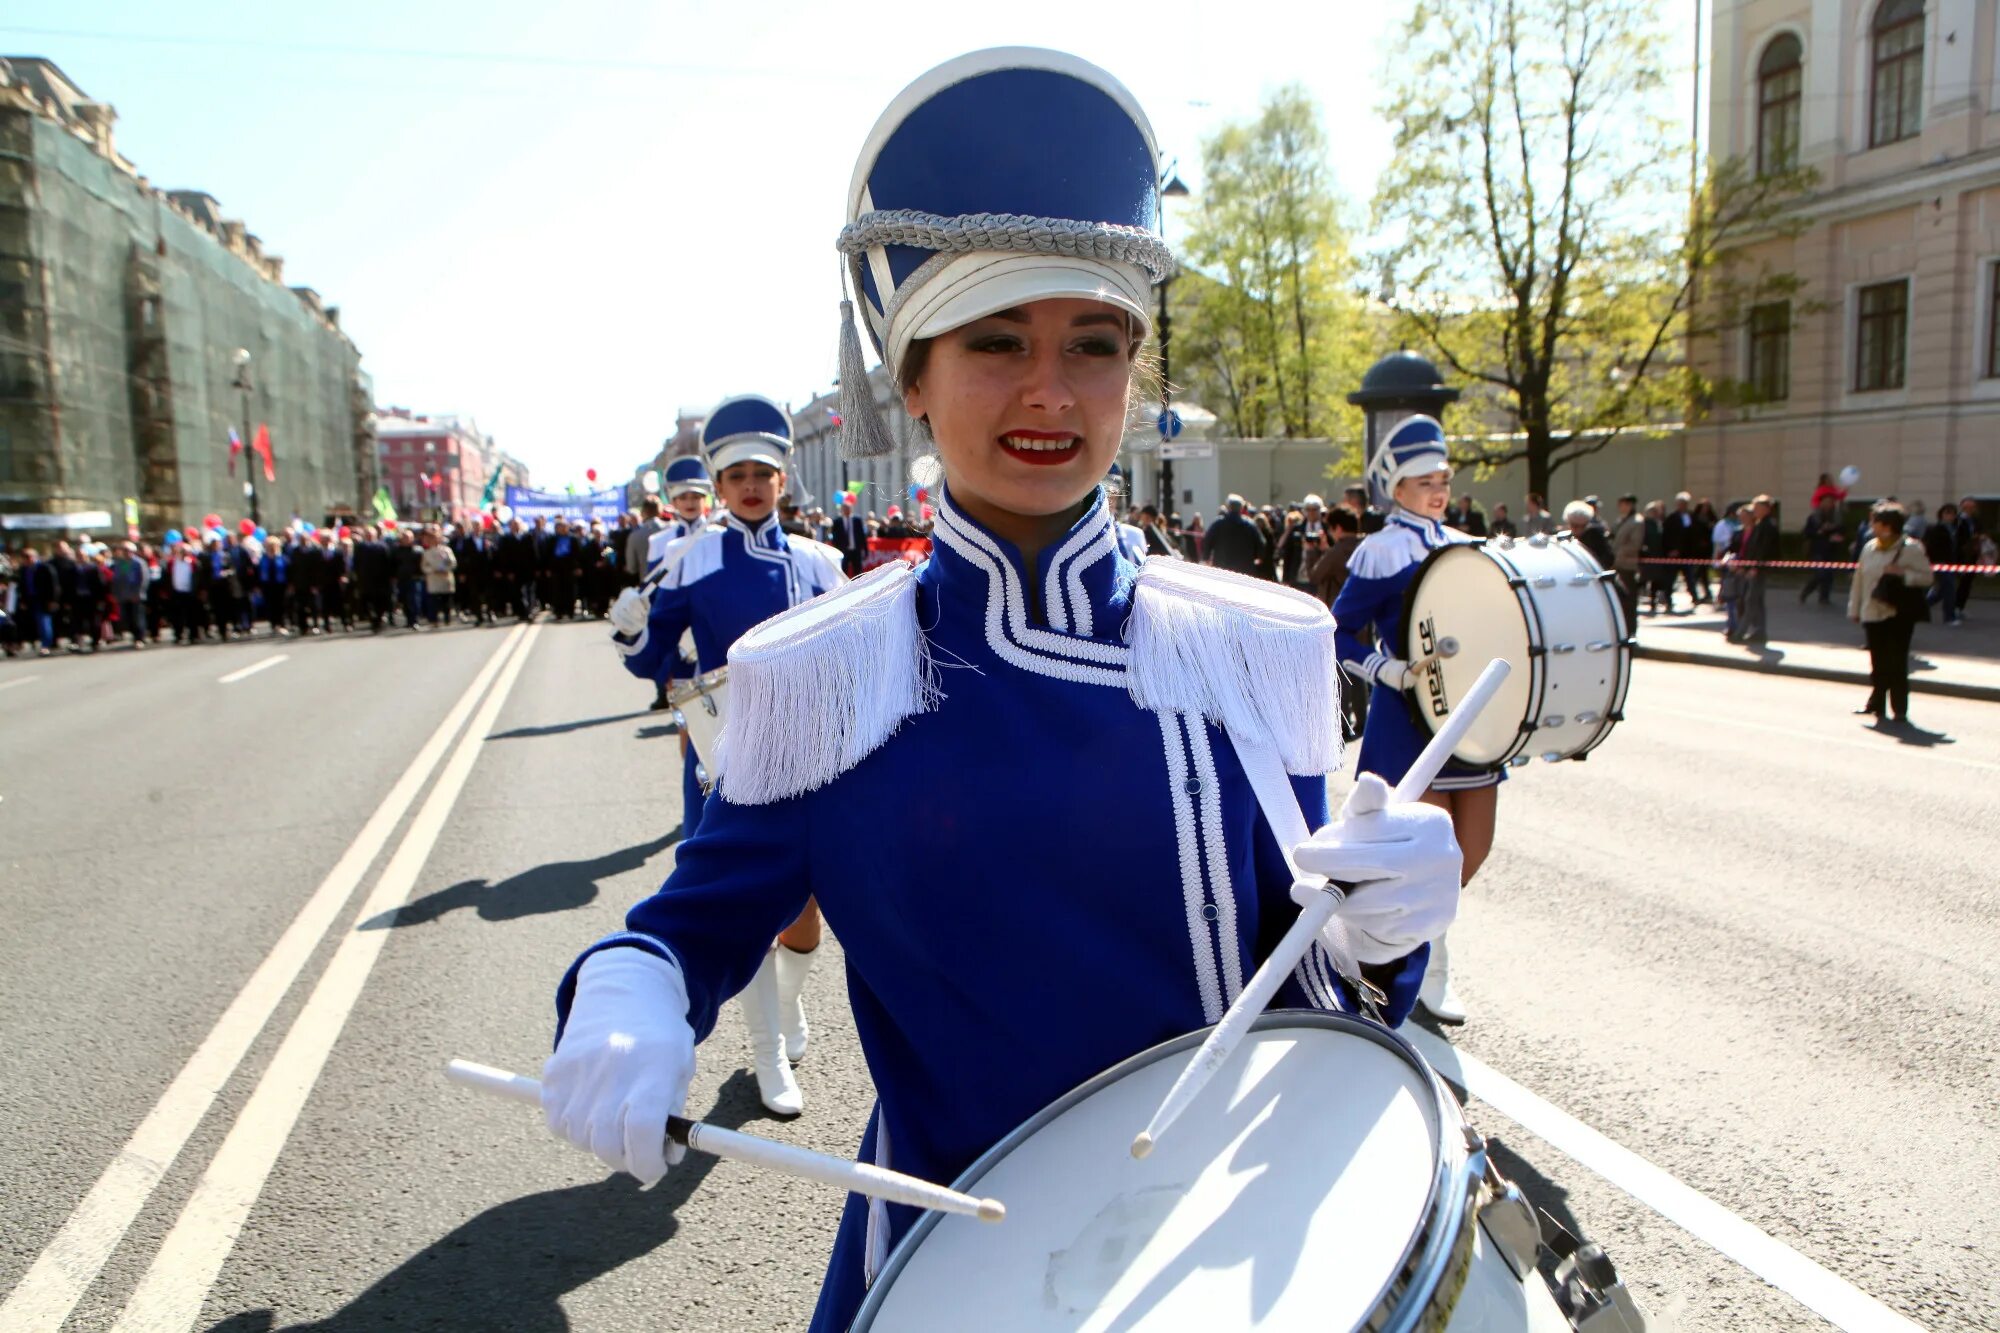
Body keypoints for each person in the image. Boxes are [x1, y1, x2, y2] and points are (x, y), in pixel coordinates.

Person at [541, 51, 1460, 1333]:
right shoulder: (817, 673)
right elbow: (685, 928)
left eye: (1094, 344)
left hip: (1238, 1253)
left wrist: (1385, 926)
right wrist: (629, 989)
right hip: (959, 1267)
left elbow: (1320, 984)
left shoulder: (1260, 641)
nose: (1050, 390)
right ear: (909, 381)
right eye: (994, 342)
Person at [604, 394, 844, 1118]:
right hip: (727, 754)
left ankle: (790, 1001)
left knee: (807, 905)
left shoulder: (819, 560)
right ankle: (767, 1052)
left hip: (807, 750)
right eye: (735, 472)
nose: (749, 484)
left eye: (762, 472)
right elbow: (653, 659)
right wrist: (635, 635)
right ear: (717, 480)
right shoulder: (690, 558)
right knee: (744, 904)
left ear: (782, 480)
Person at [1331, 414, 1494, 1027]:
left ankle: (1410, 953)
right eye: (1423, 479)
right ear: (1395, 487)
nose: (1436, 488)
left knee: (1472, 851)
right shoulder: (1381, 550)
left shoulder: (1464, 545)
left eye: (1443, 478)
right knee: (1433, 855)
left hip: (1470, 723)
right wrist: (1388, 670)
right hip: (1409, 722)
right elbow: (1339, 630)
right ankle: (1427, 972)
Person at [1848, 501, 1932, 725]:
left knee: (1897, 661)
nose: (1871, 525)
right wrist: (1854, 608)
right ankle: (1876, 704)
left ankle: (1900, 710)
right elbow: (1859, 579)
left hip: (1898, 613)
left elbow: (1927, 577)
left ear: (1887, 526)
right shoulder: (1869, 547)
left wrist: (1903, 573)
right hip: (1872, 612)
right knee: (1877, 662)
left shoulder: (1911, 548)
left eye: (1874, 521)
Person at [1734, 495, 1778, 645]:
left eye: (1758, 508)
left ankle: (1740, 633)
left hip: (1759, 569)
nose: (1755, 511)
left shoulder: (1767, 526)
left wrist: (1755, 567)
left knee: (1751, 600)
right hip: (1754, 567)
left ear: (1766, 509)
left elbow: (1763, 549)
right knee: (1757, 601)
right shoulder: (1760, 525)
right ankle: (1760, 631)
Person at [1799, 496, 1843, 607]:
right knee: (1820, 574)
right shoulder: (1814, 517)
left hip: (1831, 549)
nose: (1829, 504)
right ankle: (1806, 591)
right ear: (1821, 503)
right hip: (1817, 550)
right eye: (1826, 502)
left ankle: (1824, 597)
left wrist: (1837, 535)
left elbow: (1842, 531)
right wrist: (1820, 530)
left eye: (1831, 502)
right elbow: (1807, 532)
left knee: (1829, 575)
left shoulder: (1836, 517)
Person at [1610, 494, 1643, 625]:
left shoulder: (1637, 521)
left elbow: (1635, 544)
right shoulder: (1621, 520)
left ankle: (1631, 628)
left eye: (1623, 504)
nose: (1620, 507)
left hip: (1627, 565)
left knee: (1629, 599)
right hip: (1617, 564)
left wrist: (1619, 552)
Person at [109, 542, 149, 649]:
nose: (127, 553)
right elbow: (116, 580)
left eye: (129, 551)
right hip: (123, 596)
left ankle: (140, 638)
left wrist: (138, 593)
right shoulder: (118, 564)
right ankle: (134, 636)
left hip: (136, 596)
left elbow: (144, 579)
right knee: (127, 618)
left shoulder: (139, 563)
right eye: (125, 551)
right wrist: (115, 594)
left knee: (137, 618)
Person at [421, 527, 458, 626]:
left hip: (445, 578)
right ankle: (434, 620)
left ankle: (447, 618)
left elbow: (453, 563)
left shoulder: (446, 550)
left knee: (446, 601)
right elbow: (424, 567)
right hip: (433, 579)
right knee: (433, 602)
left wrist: (446, 569)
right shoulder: (427, 553)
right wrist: (432, 570)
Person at [1566, 498, 1615, 571]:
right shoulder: (1567, 538)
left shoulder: (1594, 535)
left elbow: (1608, 557)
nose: (1578, 529)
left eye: (1582, 526)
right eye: (1574, 525)